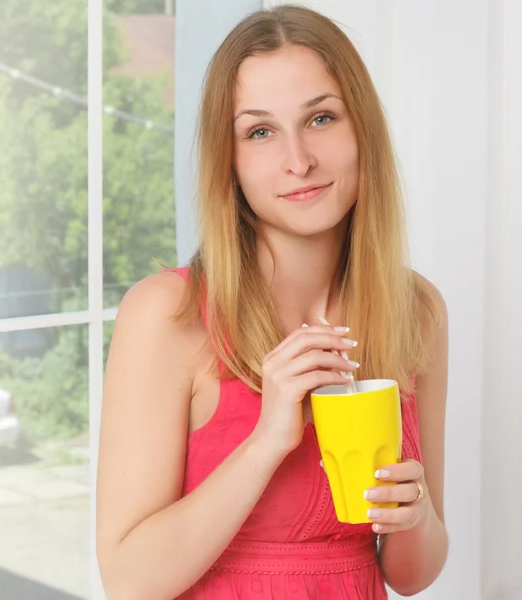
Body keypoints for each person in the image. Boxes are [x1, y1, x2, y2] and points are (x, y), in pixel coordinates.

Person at [96, 5, 449, 599]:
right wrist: (266, 441)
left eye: (321, 118)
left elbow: (412, 576)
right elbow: (128, 583)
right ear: (228, 160)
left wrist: (413, 515)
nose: (298, 160)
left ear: (362, 128)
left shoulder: (415, 310)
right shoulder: (167, 315)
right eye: (260, 131)